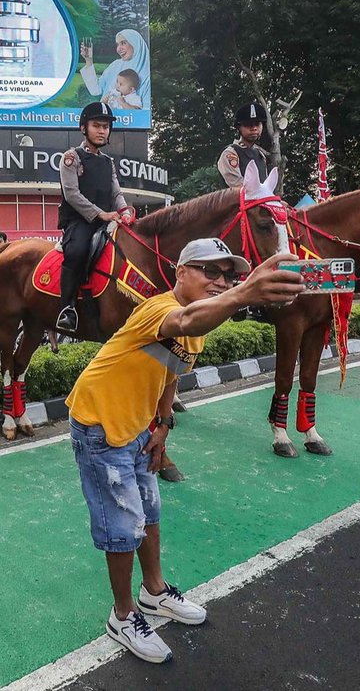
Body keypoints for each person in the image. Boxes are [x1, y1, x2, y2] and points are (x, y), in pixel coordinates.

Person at [66, 238, 304, 664]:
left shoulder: (202, 325)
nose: (220, 281)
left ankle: (154, 592)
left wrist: (162, 425)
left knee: (150, 514)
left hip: (140, 427)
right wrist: (244, 292)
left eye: (227, 274)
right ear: (180, 272)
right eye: (208, 271)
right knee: (122, 525)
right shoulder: (161, 310)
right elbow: (187, 321)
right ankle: (122, 616)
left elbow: (171, 371)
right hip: (100, 425)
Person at [56, 101, 133, 334]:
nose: (102, 130)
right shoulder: (71, 157)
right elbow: (72, 194)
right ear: (84, 128)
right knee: (78, 250)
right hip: (80, 221)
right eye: (97, 125)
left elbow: (116, 193)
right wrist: (100, 214)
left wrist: (125, 212)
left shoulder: (108, 162)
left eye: (106, 126)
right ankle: (67, 308)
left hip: (109, 219)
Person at [80, 29, 150, 109]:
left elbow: (145, 113)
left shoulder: (147, 75)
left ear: (135, 43)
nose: (118, 49)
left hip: (129, 120)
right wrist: (88, 60)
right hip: (105, 119)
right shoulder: (115, 65)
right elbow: (96, 90)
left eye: (123, 43)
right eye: (117, 44)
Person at [217, 101, 269, 187]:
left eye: (257, 124)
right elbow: (239, 187)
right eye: (248, 125)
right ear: (239, 127)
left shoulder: (260, 155)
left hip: (261, 199)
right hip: (239, 200)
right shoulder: (230, 153)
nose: (254, 128)